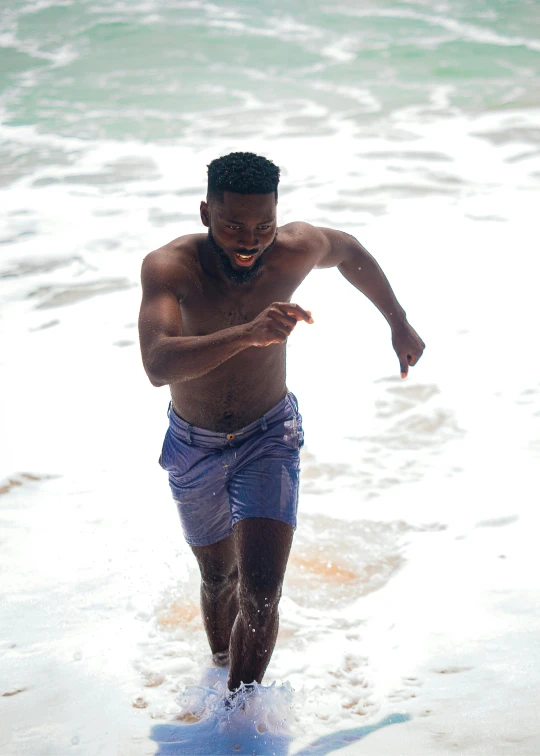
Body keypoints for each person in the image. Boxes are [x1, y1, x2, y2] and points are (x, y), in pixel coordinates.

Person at [138, 151, 425, 694]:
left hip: (269, 434)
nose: (249, 240)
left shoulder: (293, 249)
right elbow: (158, 362)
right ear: (205, 213)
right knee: (218, 577)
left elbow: (349, 251)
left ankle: (237, 717)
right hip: (193, 444)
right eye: (233, 226)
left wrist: (399, 323)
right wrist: (248, 332)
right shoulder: (170, 267)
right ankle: (220, 671)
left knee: (262, 590)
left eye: (263, 226)